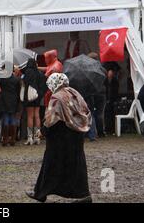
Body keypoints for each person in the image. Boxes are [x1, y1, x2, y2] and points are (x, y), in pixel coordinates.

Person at [26, 73, 92, 203]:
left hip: (60, 138)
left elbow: (52, 119)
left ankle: (40, 193)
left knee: (51, 165)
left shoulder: (57, 97)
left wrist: (43, 131)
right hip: (77, 136)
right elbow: (86, 111)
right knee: (76, 166)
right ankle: (83, 194)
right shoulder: (75, 93)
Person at [21, 58, 47, 146]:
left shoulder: (28, 72)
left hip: (29, 96)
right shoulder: (39, 73)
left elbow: (25, 82)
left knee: (30, 116)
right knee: (37, 115)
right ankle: (37, 137)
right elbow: (44, 84)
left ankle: (30, 138)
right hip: (37, 96)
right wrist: (40, 94)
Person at [87, 52, 107, 138]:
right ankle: (101, 132)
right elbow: (106, 77)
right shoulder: (101, 68)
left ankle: (92, 133)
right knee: (100, 113)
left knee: (91, 112)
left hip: (91, 92)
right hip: (101, 92)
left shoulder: (87, 69)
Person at [102, 61, 121, 134]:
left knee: (112, 114)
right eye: (109, 73)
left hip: (112, 99)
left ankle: (112, 129)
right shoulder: (105, 81)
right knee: (106, 114)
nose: (110, 74)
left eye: (111, 73)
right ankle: (107, 129)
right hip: (106, 99)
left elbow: (116, 91)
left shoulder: (115, 81)